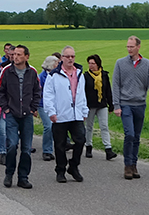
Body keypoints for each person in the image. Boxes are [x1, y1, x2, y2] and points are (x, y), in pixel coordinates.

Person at [112, 36, 149, 180]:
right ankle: (127, 165)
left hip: (140, 104)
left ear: (138, 47)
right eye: (127, 46)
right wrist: (116, 105)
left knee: (137, 137)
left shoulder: (146, 64)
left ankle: (134, 164)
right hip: (125, 104)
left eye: (131, 47)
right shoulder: (120, 63)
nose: (129, 49)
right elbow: (115, 84)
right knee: (130, 134)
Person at [0, 44, 41, 189]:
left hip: (27, 115)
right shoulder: (6, 71)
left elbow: (37, 91)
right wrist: (6, 108)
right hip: (12, 114)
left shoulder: (32, 72)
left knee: (26, 148)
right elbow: (0, 91)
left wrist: (33, 108)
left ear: (26, 57)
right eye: (14, 54)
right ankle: (9, 174)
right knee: (13, 145)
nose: (15, 57)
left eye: (19, 55)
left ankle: (23, 177)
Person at [44, 46, 88, 183]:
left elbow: (82, 94)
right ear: (62, 58)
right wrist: (51, 112)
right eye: (67, 56)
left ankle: (73, 166)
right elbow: (48, 95)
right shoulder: (53, 75)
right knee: (60, 145)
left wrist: (84, 110)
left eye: (72, 56)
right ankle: (60, 170)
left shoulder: (80, 74)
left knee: (80, 140)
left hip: (76, 115)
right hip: (60, 114)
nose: (70, 59)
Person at [84, 54, 117, 160]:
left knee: (104, 126)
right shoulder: (85, 76)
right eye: (89, 63)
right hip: (90, 105)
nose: (91, 65)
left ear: (98, 64)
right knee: (89, 127)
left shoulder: (104, 75)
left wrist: (111, 105)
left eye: (93, 63)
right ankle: (88, 146)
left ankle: (108, 149)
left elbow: (108, 90)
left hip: (102, 104)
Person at [37, 54, 60, 162]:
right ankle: (46, 150)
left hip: (54, 105)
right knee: (48, 126)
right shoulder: (41, 77)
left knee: (55, 127)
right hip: (42, 104)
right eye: (56, 63)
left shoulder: (57, 75)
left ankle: (51, 149)